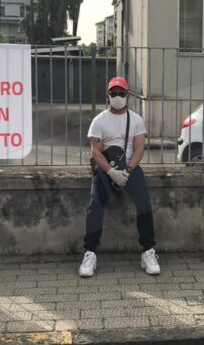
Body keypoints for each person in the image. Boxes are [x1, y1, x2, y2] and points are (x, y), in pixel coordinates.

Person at [78, 76, 160, 277]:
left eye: (121, 93)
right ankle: (90, 253)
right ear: (107, 96)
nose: (117, 97)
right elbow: (96, 152)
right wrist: (112, 173)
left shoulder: (136, 120)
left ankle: (148, 251)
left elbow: (140, 148)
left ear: (128, 96)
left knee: (144, 203)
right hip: (107, 169)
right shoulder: (99, 121)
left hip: (130, 168)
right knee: (94, 205)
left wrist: (128, 171)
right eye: (113, 93)